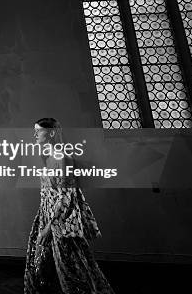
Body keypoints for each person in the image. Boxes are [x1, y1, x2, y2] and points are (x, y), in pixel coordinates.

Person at [23, 117, 114, 294]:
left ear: (51, 133)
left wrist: (50, 226)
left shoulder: (62, 157)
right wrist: (44, 220)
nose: (34, 134)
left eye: (38, 130)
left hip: (63, 221)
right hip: (46, 214)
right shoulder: (48, 156)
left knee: (72, 269)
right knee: (41, 265)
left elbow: (66, 196)